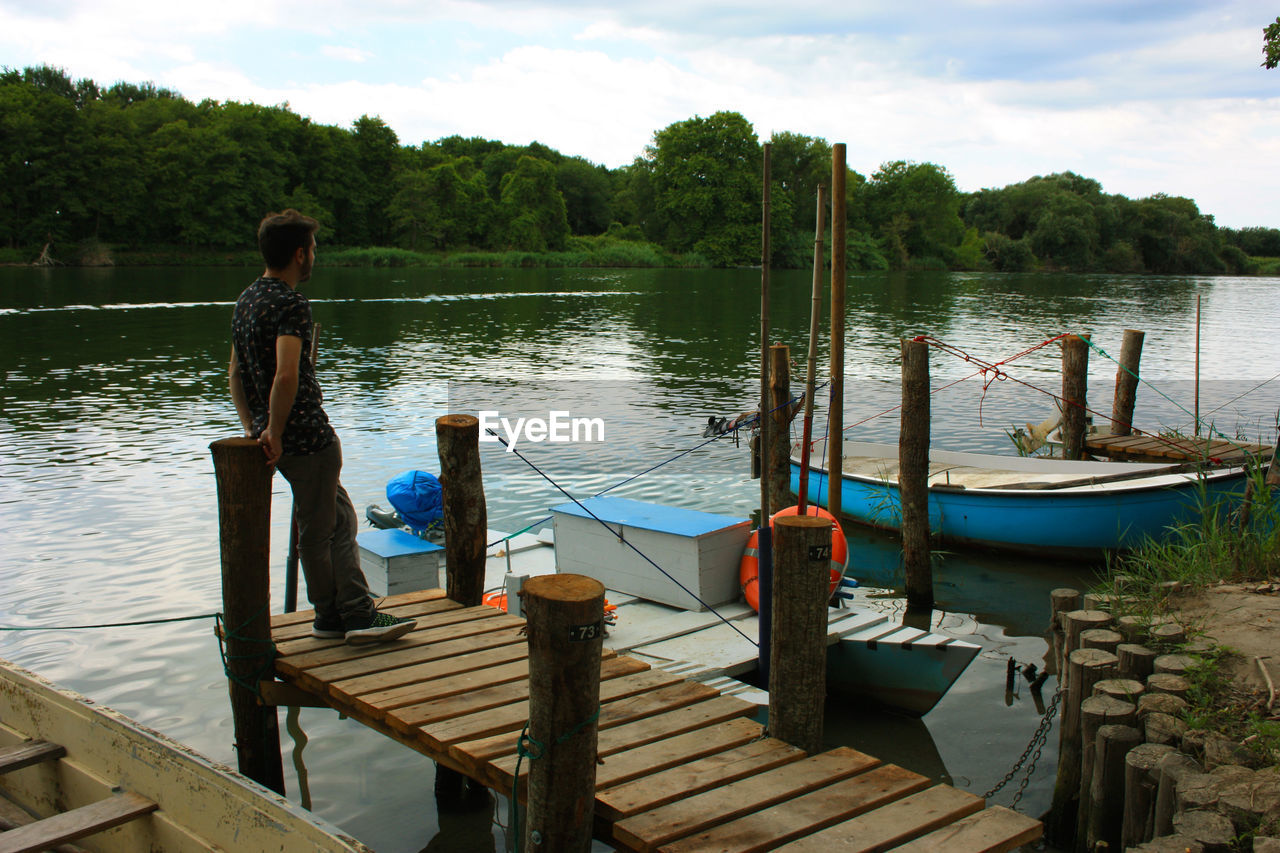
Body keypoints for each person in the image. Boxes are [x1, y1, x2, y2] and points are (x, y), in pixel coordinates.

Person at [229, 209, 415, 645]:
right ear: (298, 254)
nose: (314, 256)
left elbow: (236, 376)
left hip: (276, 437)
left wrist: (255, 428)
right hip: (308, 438)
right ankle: (344, 616)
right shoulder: (290, 302)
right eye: (312, 248)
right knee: (321, 530)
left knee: (339, 517)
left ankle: (342, 611)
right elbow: (287, 374)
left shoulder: (245, 301)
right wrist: (274, 429)